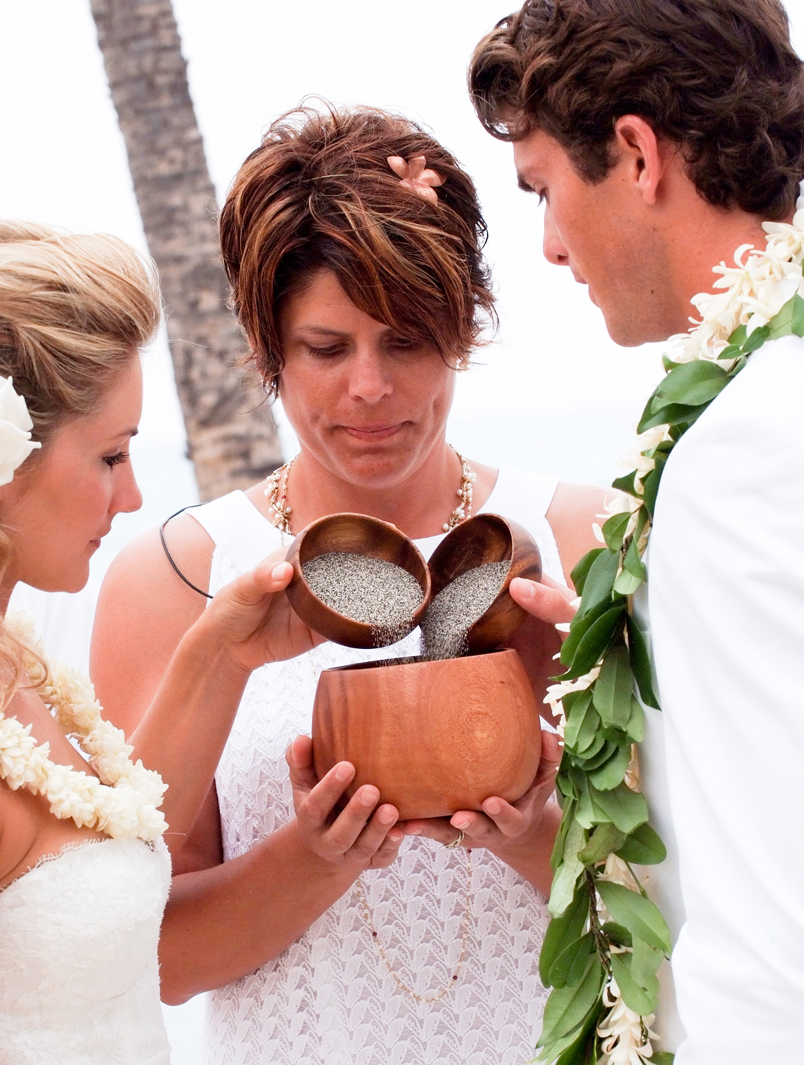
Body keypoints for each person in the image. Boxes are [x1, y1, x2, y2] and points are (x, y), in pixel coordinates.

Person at [91, 105, 606, 1065]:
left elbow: (683, 896)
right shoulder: (175, 579)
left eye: (406, 341)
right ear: (267, 351)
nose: (370, 387)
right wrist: (314, 856)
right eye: (327, 349)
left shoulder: (582, 536)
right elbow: (146, 951)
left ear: (462, 332)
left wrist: (533, 831)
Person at [469, 2, 804, 1062]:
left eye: (542, 191)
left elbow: (770, 893)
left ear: (632, 153)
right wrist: (635, 664)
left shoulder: (744, 445)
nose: (551, 246)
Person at [0, 220, 320, 1065]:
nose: (134, 495)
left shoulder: (9, 667)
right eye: (111, 456)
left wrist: (224, 652)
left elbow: (113, 848)